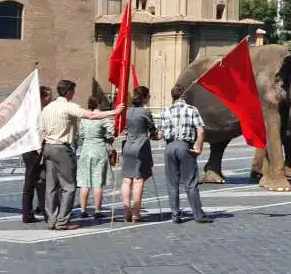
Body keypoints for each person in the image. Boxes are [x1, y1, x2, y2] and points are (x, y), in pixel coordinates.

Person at [41, 79, 122, 231]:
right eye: (73, 91)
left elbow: (41, 129)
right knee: (69, 186)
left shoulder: (47, 108)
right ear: (69, 92)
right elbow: (91, 116)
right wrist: (114, 112)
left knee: (51, 186)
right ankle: (62, 221)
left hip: (48, 147)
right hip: (61, 148)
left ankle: (51, 220)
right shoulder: (68, 106)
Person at [158, 85, 214, 224]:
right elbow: (201, 131)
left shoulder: (165, 111)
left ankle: (176, 215)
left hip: (170, 147)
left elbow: (160, 134)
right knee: (190, 182)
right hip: (185, 147)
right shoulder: (191, 109)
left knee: (172, 184)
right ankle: (198, 215)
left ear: (173, 97)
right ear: (184, 96)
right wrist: (198, 147)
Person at [121, 86, 159, 222]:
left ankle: (127, 211)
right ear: (144, 97)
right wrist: (159, 134)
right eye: (148, 96)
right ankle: (136, 213)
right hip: (141, 147)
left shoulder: (127, 112)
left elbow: (124, 128)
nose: (149, 98)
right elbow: (153, 132)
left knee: (126, 180)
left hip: (127, 146)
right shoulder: (145, 112)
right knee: (138, 180)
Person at [77, 96, 115, 219]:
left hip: (86, 149)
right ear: (99, 104)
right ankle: (97, 211)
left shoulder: (84, 117)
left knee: (84, 182)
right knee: (98, 182)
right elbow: (111, 131)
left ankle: (83, 210)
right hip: (99, 148)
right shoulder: (103, 117)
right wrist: (107, 137)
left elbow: (81, 134)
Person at [21, 85, 52, 223]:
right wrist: (40, 149)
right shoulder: (36, 112)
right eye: (48, 96)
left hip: (31, 149)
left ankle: (42, 209)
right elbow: (36, 132)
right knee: (32, 182)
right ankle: (28, 214)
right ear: (42, 97)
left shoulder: (35, 110)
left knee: (39, 181)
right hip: (33, 149)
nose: (51, 98)